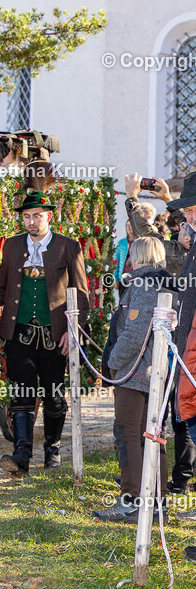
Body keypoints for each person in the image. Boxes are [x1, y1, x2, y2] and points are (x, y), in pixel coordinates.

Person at [0, 191, 89, 475]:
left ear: (49, 216)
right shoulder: (11, 246)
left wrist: (73, 330)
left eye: (36, 216)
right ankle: (21, 453)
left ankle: (52, 449)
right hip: (19, 332)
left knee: (54, 394)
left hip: (54, 333)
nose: (31, 222)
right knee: (21, 392)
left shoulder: (68, 247)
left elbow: (81, 295)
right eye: (26, 217)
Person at [93, 237, 176, 522]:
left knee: (127, 434)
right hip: (156, 372)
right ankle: (157, 504)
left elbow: (135, 332)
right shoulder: (166, 283)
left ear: (138, 257)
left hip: (135, 373)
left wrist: (114, 362)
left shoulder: (143, 284)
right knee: (153, 437)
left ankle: (131, 501)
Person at [123, 173, 196, 493]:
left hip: (186, 352)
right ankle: (180, 480)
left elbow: (149, 236)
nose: (184, 225)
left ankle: (180, 481)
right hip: (183, 347)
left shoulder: (180, 253)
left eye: (187, 218)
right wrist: (169, 200)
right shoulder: (186, 250)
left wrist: (133, 199)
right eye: (182, 218)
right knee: (179, 413)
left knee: (180, 415)